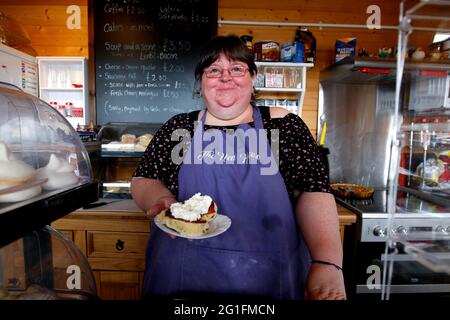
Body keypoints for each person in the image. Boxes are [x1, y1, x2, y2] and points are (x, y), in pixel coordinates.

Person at [131, 35, 346, 300]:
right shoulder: (179, 128)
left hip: (269, 278)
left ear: (253, 78)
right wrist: (159, 199)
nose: (225, 77)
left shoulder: (284, 126)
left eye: (237, 68)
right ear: (200, 82)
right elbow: (144, 179)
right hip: (182, 277)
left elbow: (314, 192)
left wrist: (327, 263)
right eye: (214, 70)